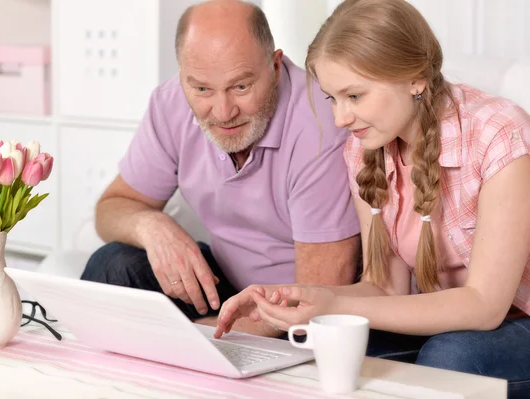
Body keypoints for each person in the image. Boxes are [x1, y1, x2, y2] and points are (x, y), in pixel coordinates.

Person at [214, 0, 530, 395]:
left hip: (513, 321)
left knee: (453, 358)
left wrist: (336, 306)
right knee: (334, 348)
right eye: (332, 99)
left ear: (414, 78)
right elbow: (385, 289)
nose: (340, 119)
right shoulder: (364, 150)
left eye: (355, 96)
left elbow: (485, 306)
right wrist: (302, 299)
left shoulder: (498, 134)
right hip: (452, 322)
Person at [80, 0, 361, 338]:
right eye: (201, 89)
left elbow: (316, 299)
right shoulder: (170, 103)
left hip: (302, 311)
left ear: (274, 66)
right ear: (183, 77)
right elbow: (110, 209)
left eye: (241, 86)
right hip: (230, 289)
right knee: (111, 264)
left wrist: (202, 338)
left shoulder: (321, 121)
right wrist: (150, 225)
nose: (223, 112)